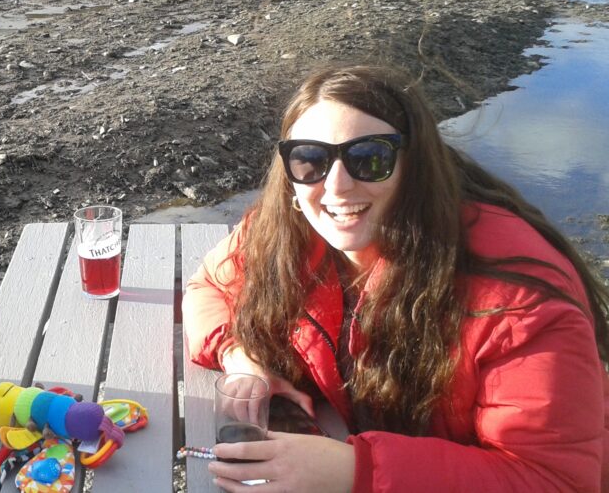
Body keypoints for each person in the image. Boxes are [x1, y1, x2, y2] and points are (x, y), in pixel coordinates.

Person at [183, 64, 609, 492]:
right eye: (310, 159)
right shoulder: (286, 233)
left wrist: (354, 469)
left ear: (415, 166)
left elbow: (557, 480)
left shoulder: (516, 300)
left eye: (369, 158)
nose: (336, 186)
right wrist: (240, 358)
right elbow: (208, 287)